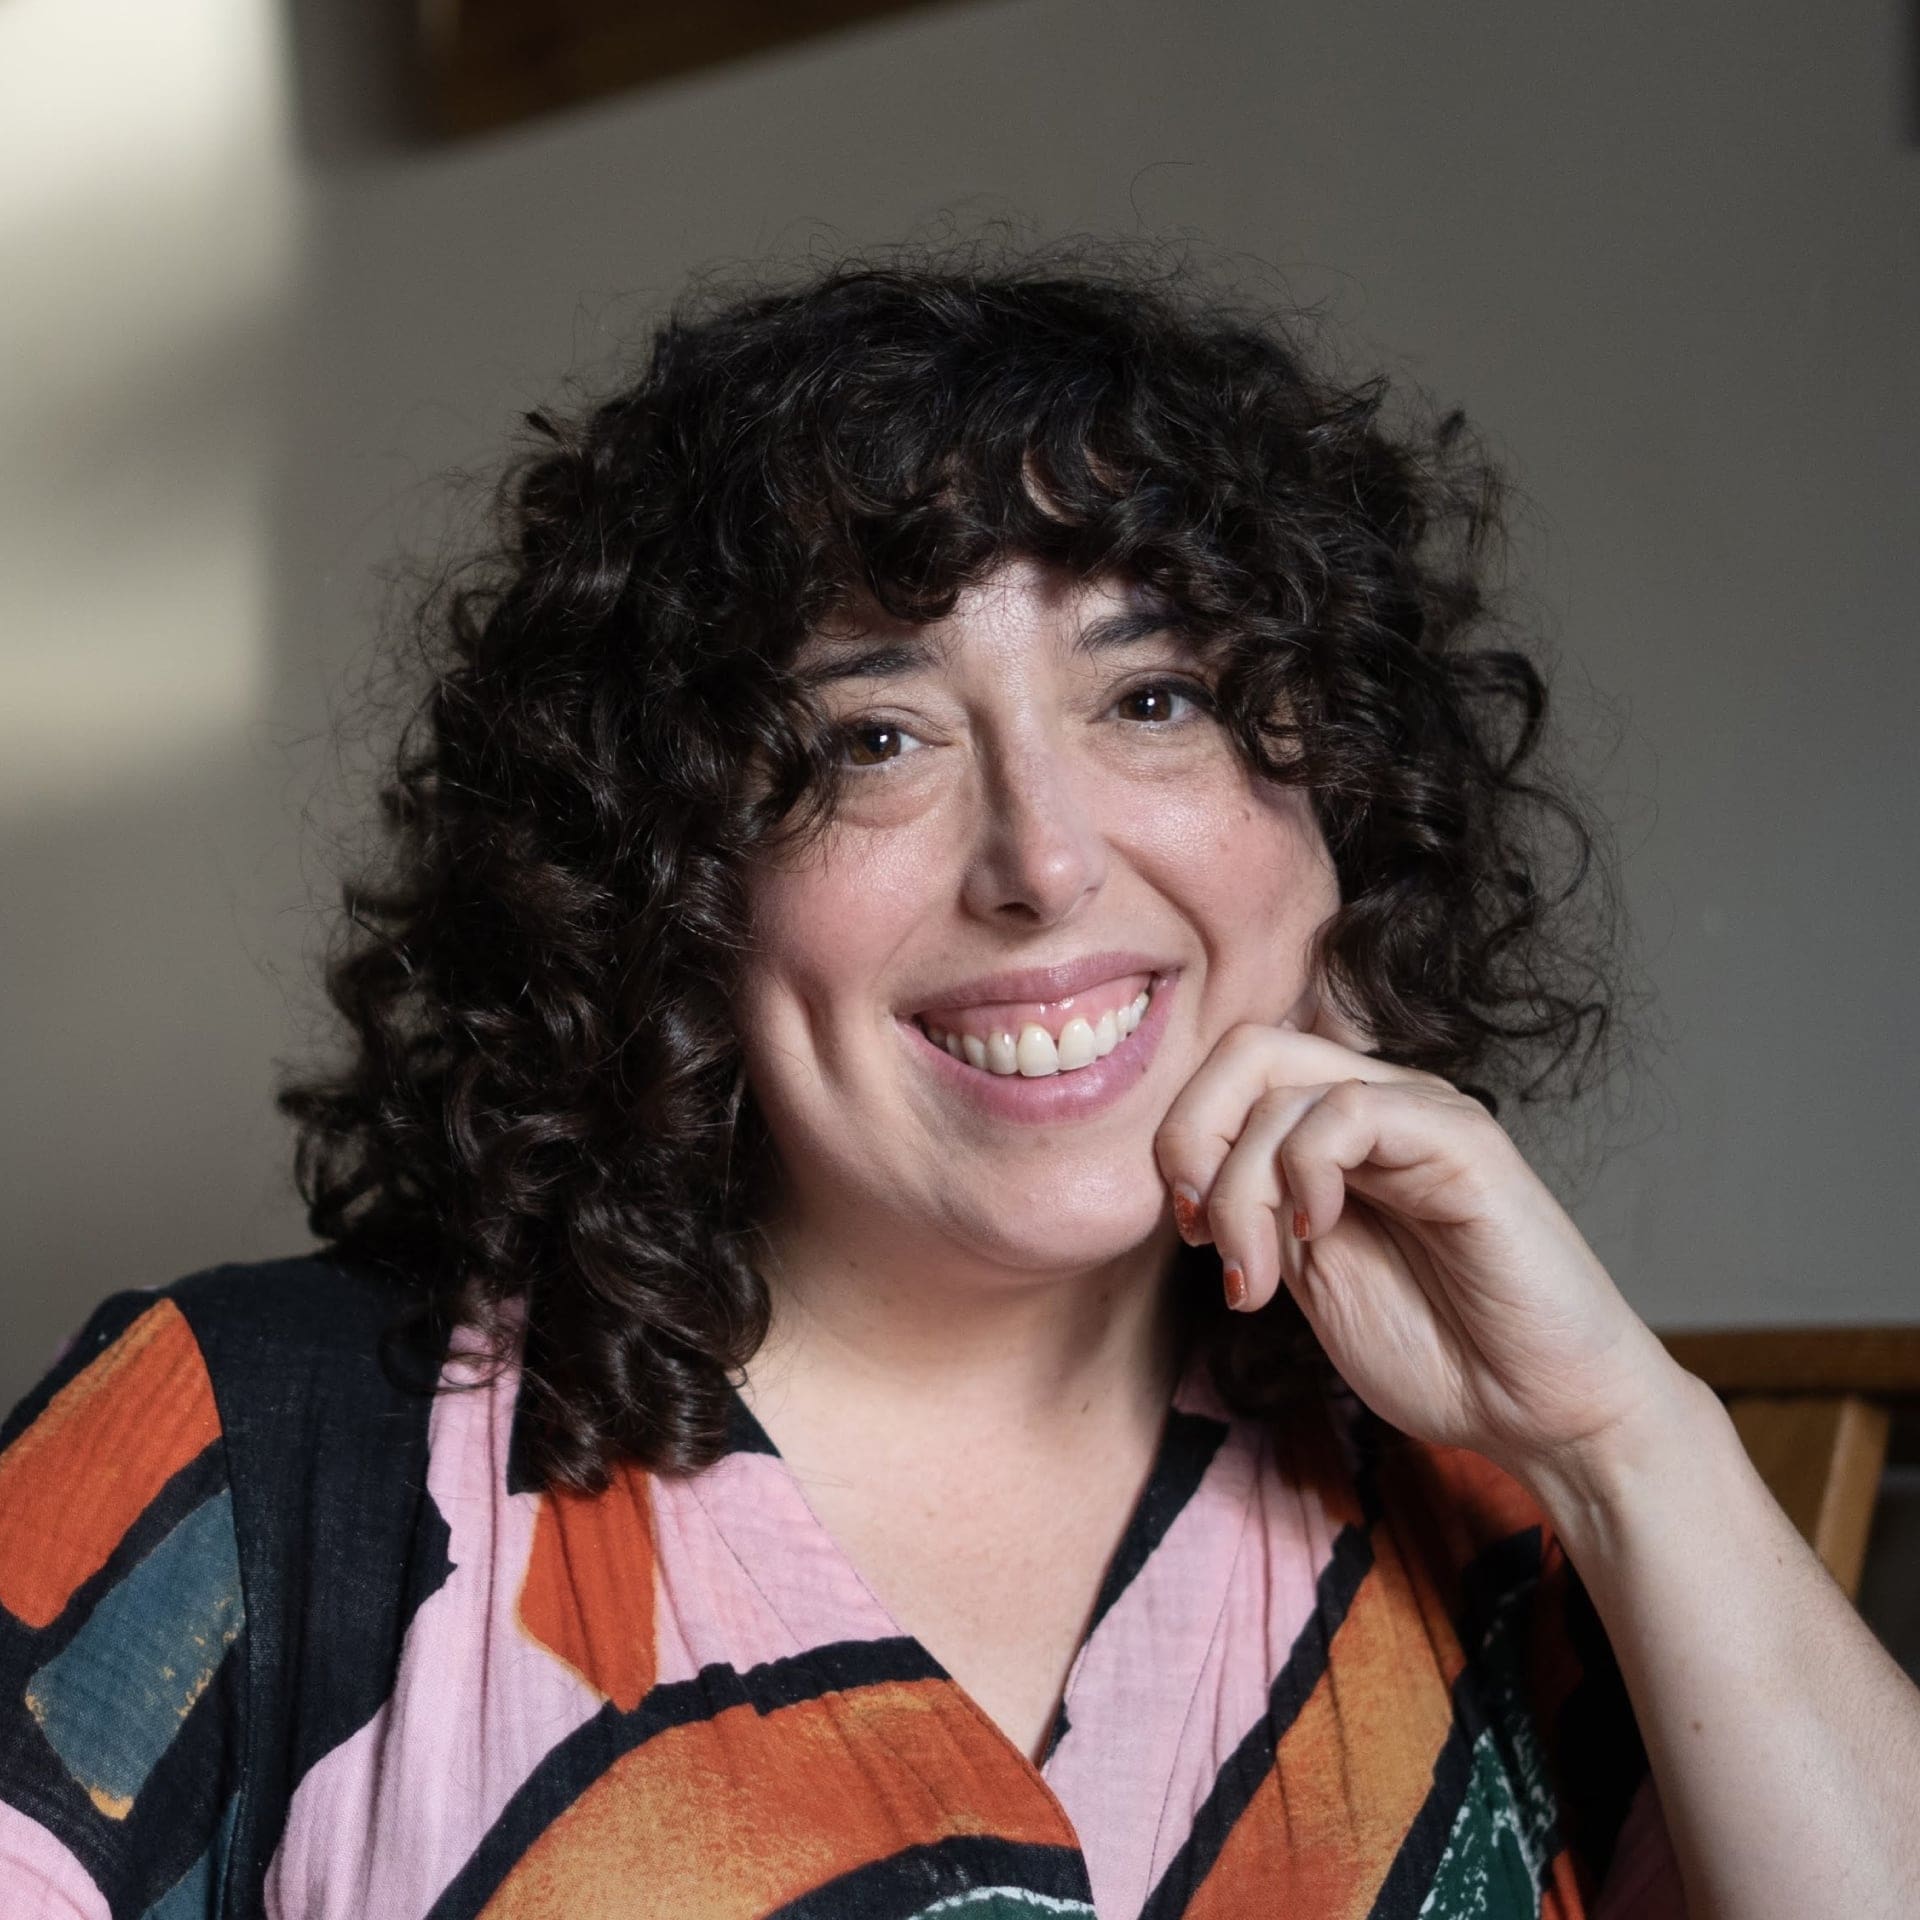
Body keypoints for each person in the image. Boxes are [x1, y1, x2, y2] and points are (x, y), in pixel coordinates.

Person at [3, 250, 1917, 1920]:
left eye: (1150, 697)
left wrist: (1623, 1444)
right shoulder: (250, 1462)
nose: (1047, 862)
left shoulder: (1510, 1520)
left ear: (1339, 803)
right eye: (878, 737)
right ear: (666, 882)